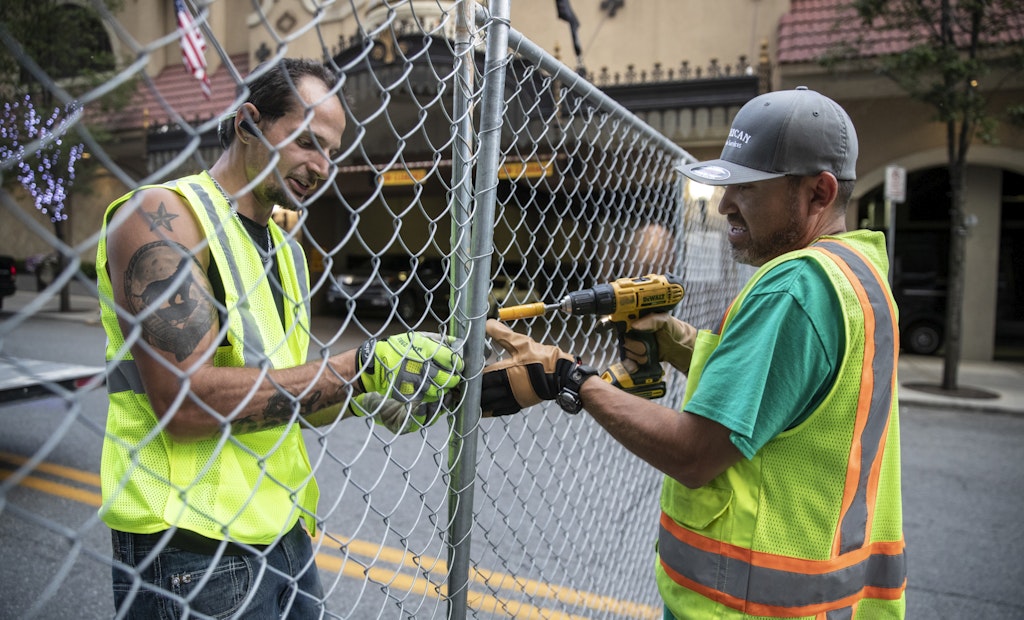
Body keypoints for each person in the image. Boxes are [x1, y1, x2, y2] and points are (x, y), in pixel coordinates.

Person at [480, 87, 906, 618]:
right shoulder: (858, 275)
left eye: (746, 188)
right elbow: (791, 390)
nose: (724, 204)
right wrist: (682, 343)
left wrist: (566, 376)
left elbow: (694, 454)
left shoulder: (793, 287)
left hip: (744, 608)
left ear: (818, 192)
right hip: (829, 594)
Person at [96, 58, 463, 618]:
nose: (321, 167)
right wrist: (361, 367)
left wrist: (372, 394)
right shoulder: (163, 215)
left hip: (285, 534)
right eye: (307, 142)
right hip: (191, 548)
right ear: (248, 123)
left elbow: (279, 395)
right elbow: (185, 404)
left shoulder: (286, 253)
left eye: (331, 152)